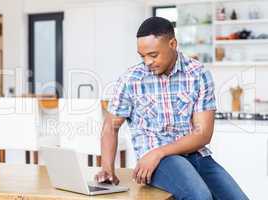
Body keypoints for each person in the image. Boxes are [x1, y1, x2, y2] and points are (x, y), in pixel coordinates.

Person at [95, 17, 248, 200]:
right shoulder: (131, 79)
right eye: (142, 56)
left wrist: (160, 151)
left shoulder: (198, 74)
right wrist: (107, 168)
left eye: (153, 55)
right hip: (159, 163)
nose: (147, 62)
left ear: (173, 44)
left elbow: (203, 134)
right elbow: (110, 127)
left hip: (195, 155)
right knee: (200, 197)